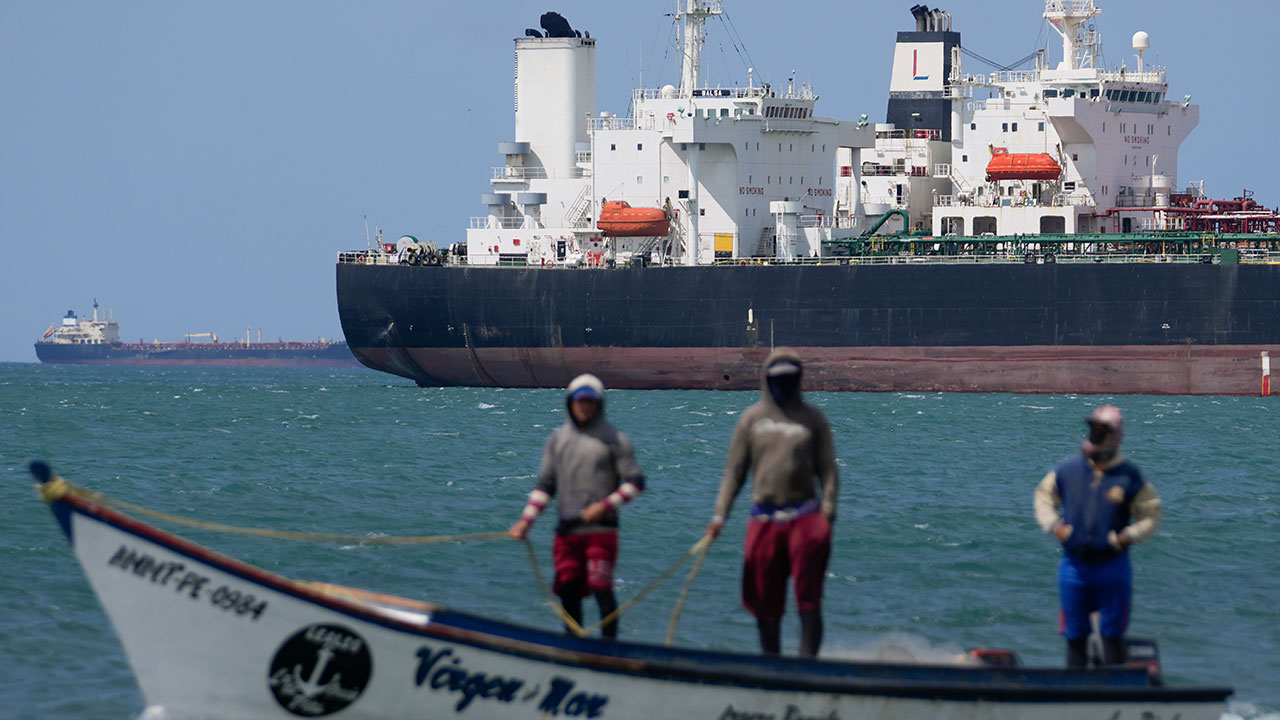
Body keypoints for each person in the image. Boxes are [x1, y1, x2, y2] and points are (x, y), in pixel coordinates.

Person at [705, 348, 839, 657]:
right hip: (763, 519)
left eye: (790, 379)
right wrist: (719, 516)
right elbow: (734, 473)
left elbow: (829, 471)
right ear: (766, 379)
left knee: (809, 599)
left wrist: (827, 515)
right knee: (764, 601)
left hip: (805, 518)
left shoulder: (813, 419)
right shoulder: (751, 419)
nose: (784, 385)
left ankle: (807, 668)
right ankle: (772, 664)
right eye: (778, 379)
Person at [509, 373, 644, 639]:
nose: (585, 406)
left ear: (599, 404)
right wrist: (526, 521)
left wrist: (605, 506)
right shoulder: (558, 440)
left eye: (590, 401)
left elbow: (635, 482)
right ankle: (574, 650)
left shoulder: (615, 439)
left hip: (601, 531)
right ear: (570, 403)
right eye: (580, 401)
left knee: (601, 589)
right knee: (568, 592)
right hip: (567, 533)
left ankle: (609, 653)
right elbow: (545, 486)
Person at [1034, 404, 1163, 667]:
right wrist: (1055, 526)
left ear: (1117, 436)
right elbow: (1043, 497)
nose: (1097, 436)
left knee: (1112, 634)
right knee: (1075, 635)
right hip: (1074, 567)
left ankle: (1116, 693)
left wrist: (1126, 537)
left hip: (1112, 567)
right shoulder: (1068, 470)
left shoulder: (1129, 476)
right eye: (1094, 429)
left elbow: (1152, 515)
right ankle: (1076, 694)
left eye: (1103, 431)